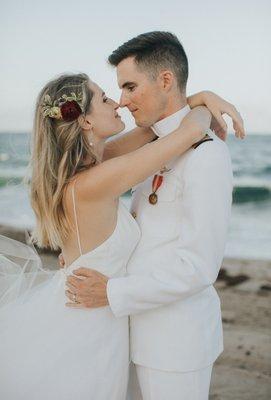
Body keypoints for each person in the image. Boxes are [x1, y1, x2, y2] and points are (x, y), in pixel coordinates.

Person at [0, 71, 228, 400]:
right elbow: (189, 130)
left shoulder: (94, 167)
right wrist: (208, 100)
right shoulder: (97, 180)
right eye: (105, 99)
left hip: (99, 315)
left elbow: (157, 126)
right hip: (89, 326)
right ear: (86, 122)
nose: (118, 103)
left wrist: (201, 96)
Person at [65, 32, 245, 400]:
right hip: (126, 331)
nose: (123, 101)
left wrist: (113, 291)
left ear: (165, 79)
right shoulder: (152, 145)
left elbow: (198, 265)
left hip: (175, 342)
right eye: (118, 90)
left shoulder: (207, 155)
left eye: (130, 87)